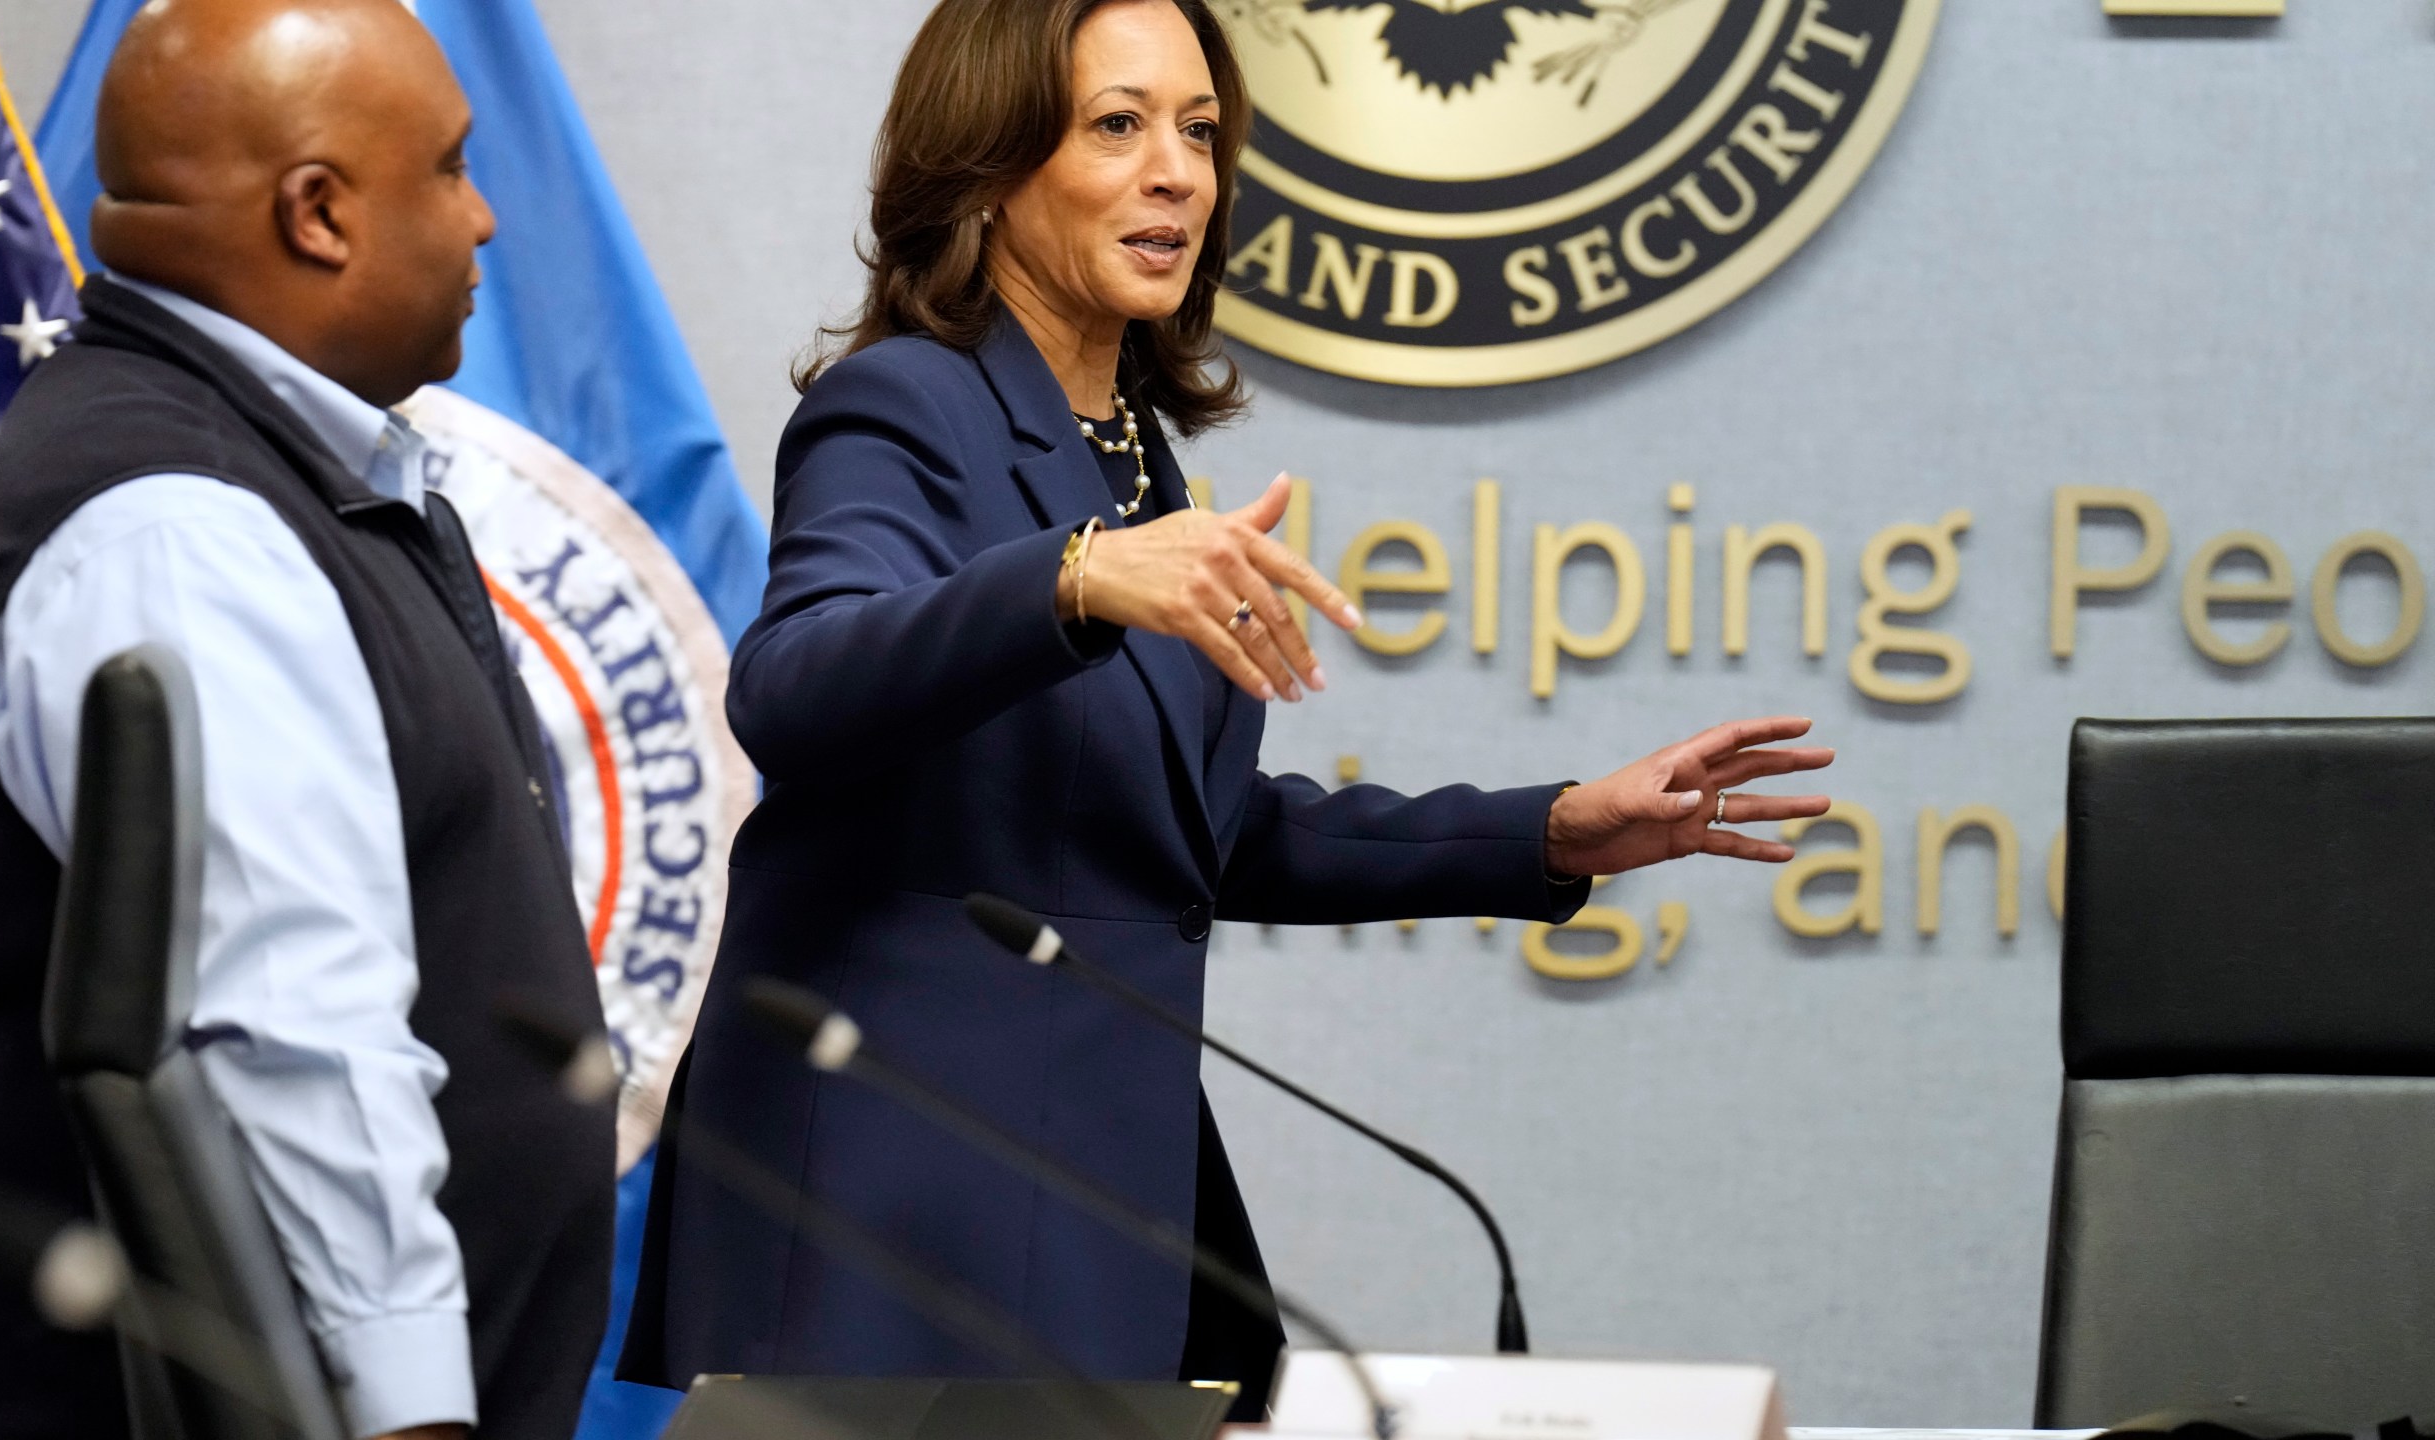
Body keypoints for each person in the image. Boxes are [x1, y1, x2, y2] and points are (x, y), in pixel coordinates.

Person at [621, 0, 1836, 1414]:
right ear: (992, 164)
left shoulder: (1135, 467)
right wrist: (1072, 579)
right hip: (897, 1220)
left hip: (1076, 1194)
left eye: (1200, 132)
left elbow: (1196, 838)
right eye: (1118, 126)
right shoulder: (903, 409)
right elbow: (793, 687)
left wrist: (1555, 834)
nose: (1180, 173)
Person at [0, 2, 613, 1437]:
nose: (486, 219)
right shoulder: (179, 529)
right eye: (453, 170)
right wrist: (413, 1412)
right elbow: (292, 1027)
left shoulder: (271, 463)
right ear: (319, 212)